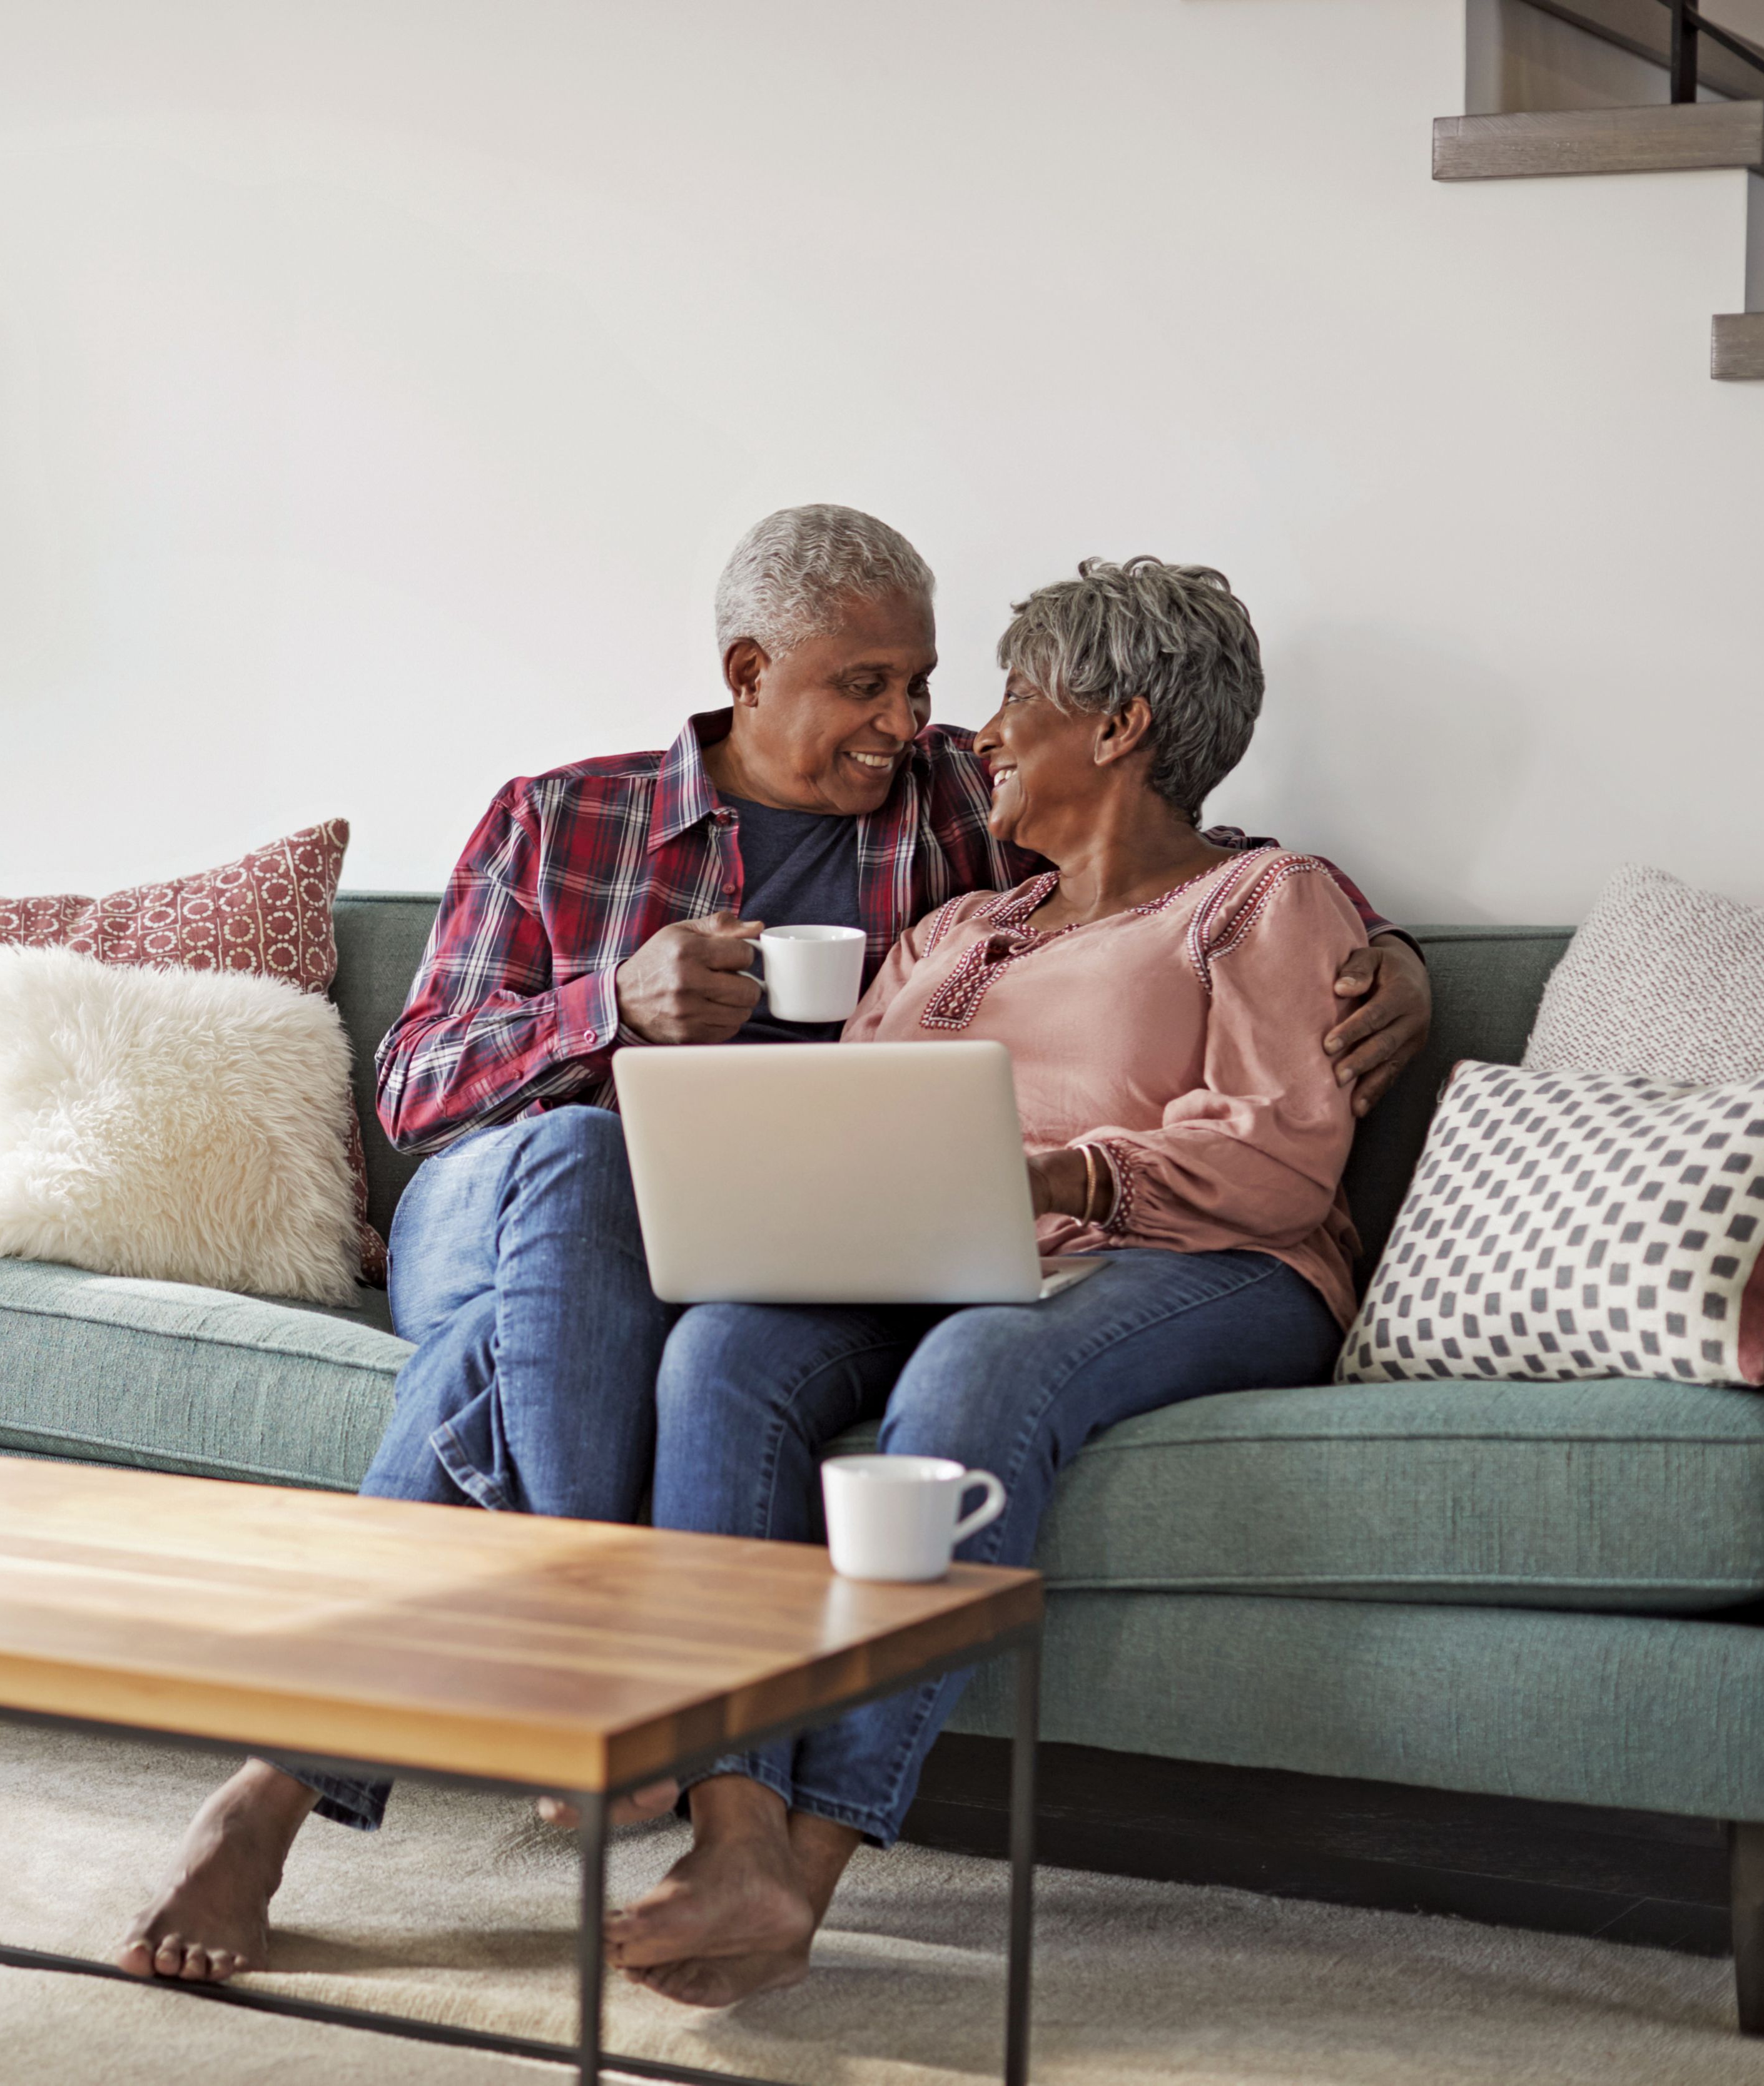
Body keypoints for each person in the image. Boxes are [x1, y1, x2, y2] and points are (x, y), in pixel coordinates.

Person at [114, 513, 1427, 1994]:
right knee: (579, 1159)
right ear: (749, 672)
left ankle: (601, 1801)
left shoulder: (968, 827)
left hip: (982, 1242)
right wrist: (607, 1005)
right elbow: (412, 1090)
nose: (925, 724)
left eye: (934, 684)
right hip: (509, 1195)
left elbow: (1209, 894)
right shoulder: (570, 817)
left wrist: (1395, 963)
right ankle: (627, 1692)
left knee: (652, 1343)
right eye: (867, 684)